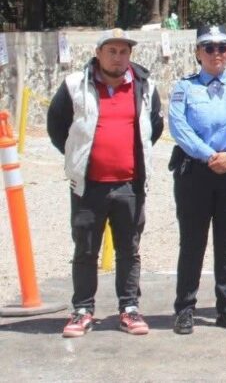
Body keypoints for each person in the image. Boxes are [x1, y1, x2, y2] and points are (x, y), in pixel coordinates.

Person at [47, 29, 163, 338]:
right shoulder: (75, 85)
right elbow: (57, 125)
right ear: (98, 53)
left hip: (130, 185)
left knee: (129, 250)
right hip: (89, 186)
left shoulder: (145, 86)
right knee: (86, 249)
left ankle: (129, 308)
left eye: (123, 51)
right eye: (111, 51)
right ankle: (82, 310)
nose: (117, 57)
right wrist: (77, 156)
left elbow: (154, 127)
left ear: (130, 55)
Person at [168, 24, 226, 334]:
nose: (216, 53)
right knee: (192, 242)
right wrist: (209, 155)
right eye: (209, 47)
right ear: (198, 52)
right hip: (196, 173)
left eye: (222, 47)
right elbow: (179, 127)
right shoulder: (185, 88)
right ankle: (185, 308)